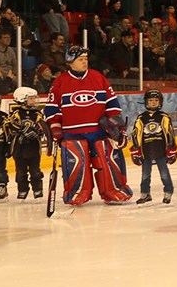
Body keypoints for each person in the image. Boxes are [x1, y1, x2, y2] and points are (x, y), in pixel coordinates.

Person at [45, 46, 132, 207]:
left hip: (99, 131)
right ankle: (77, 193)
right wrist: (55, 126)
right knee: (77, 162)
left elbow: (112, 102)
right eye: (80, 59)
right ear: (70, 62)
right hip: (72, 133)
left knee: (107, 160)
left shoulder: (98, 77)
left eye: (86, 59)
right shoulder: (60, 82)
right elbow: (51, 107)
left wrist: (114, 122)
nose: (85, 62)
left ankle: (113, 191)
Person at [130, 90, 177, 205]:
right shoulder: (141, 118)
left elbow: (170, 133)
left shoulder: (164, 117)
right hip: (146, 151)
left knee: (164, 173)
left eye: (156, 100)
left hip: (161, 151)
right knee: (145, 174)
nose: (153, 103)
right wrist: (136, 150)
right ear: (146, 102)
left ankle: (168, 192)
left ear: (160, 102)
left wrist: (172, 149)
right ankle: (145, 194)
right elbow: (136, 134)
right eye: (150, 100)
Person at [6, 86, 47, 201]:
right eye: (31, 98)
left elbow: (42, 127)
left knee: (35, 171)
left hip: (34, 148)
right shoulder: (15, 113)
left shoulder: (37, 113)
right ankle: (22, 190)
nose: (34, 100)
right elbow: (11, 126)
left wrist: (36, 132)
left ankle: (37, 190)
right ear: (22, 99)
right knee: (21, 172)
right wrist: (23, 132)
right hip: (19, 148)